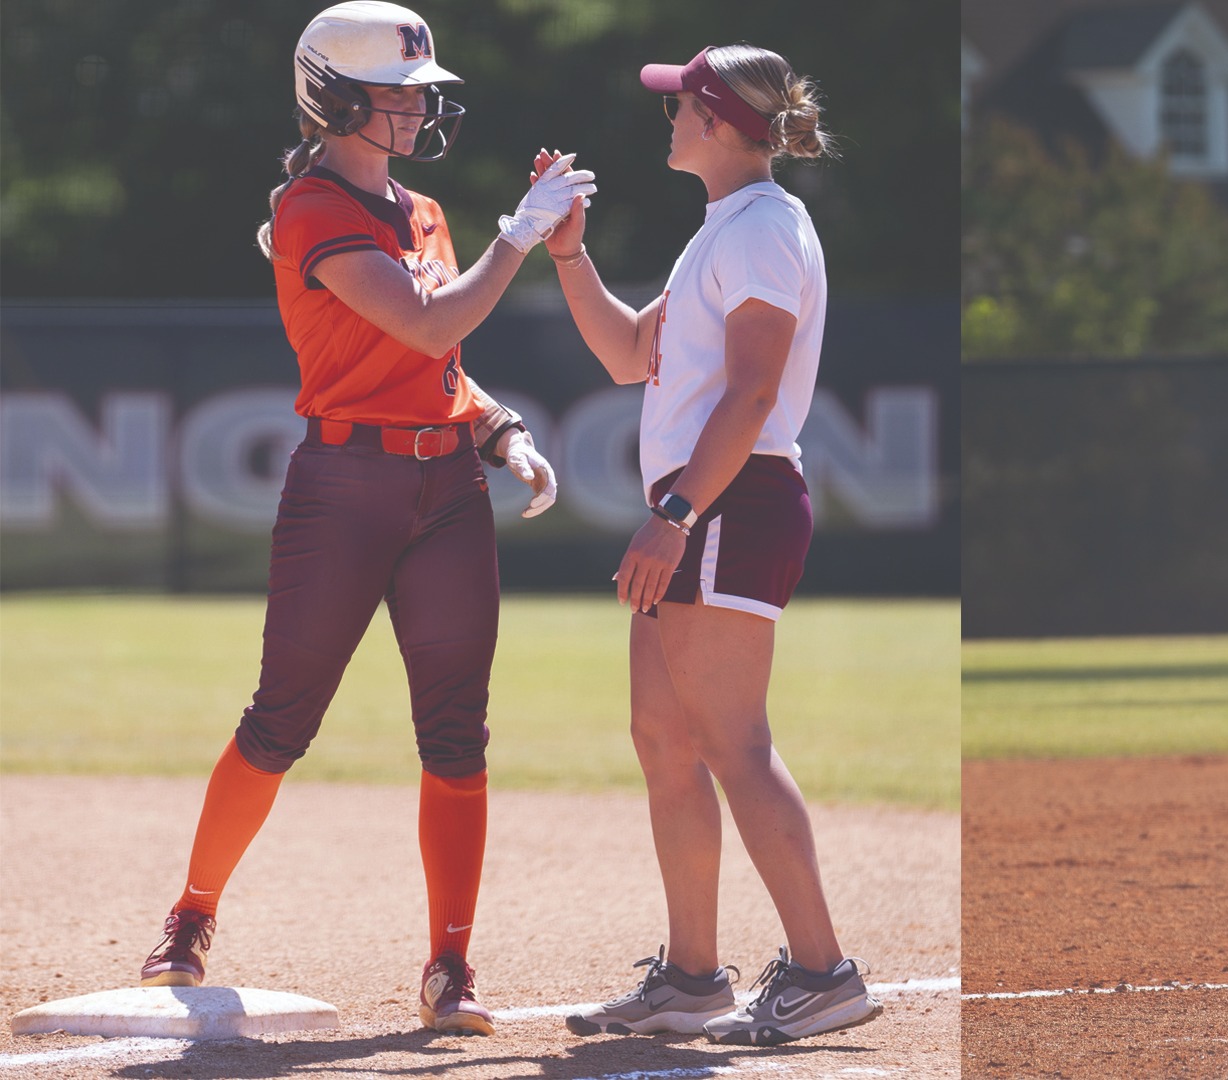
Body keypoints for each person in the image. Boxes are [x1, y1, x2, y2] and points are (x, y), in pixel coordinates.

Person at [136, 1, 594, 1038]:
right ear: (336, 97)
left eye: (421, 92)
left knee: (456, 732)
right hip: (343, 490)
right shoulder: (311, 208)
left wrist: (498, 428)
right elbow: (426, 319)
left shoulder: (421, 211)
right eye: (401, 92)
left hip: (446, 492)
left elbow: (443, 363)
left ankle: (450, 962)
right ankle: (192, 911)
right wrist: (518, 236)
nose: (420, 107)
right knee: (281, 718)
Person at [533, 44, 882, 1046]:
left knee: (734, 741)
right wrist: (568, 251)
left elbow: (756, 392)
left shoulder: (767, 227)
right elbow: (626, 355)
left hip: (732, 499)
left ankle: (824, 972)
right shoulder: (723, 231)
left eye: (684, 104)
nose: (670, 117)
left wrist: (677, 513)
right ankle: (692, 979)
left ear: (725, 124)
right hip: (706, 501)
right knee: (666, 740)